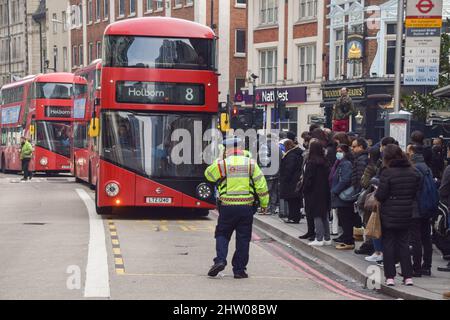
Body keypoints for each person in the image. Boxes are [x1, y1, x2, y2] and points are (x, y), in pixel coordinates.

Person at [205, 137, 269, 279]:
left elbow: (208, 175)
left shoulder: (223, 164)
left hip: (227, 206)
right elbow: (261, 185)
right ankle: (239, 270)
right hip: (246, 207)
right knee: (243, 239)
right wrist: (264, 204)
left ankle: (220, 260)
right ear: (242, 148)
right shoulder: (251, 164)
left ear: (226, 149)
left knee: (222, 234)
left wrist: (218, 160)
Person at [375, 144, 420, 286]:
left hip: (389, 212)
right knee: (404, 244)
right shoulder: (413, 172)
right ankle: (408, 277)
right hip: (407, 211)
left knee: (388, 244)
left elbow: (381, 195)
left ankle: (390, 277)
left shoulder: (387, 172)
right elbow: (415, 192)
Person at [406, 144, 433, 277]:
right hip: (427, 206)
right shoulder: (426, 167)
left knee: (416, 238)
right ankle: (427, 266)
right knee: (426, 238)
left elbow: (413, 189)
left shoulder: (415, 168)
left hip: (416, 207)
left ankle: (416, 268)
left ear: (411, 152)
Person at [303, 140, 331, 246]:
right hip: (324, 191)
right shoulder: (325, 161)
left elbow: (308, 179)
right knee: (324, 214)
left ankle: (319, 238)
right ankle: (327, 238)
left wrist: (305, 189)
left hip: (313, 192)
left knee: (316, 215)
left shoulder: (311, 162)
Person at [330, 144, 355, 250]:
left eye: (340, 151)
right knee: (342, 217)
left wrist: (335, 190)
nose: (338, 153)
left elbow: (345, 179)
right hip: (340, 194)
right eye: (337, 151)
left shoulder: (346, 164)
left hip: (343, 195)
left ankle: (348, 239)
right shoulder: (341, 162)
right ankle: (345, 236)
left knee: (346, 218)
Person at [279, 139, 303, 224]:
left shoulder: (291, 155)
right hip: (295, 180)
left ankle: (293, 217)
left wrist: (284, 178)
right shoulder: (296, 153)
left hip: (291, 181)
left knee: (292, 201)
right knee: (294, 200)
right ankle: (293, 217)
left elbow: (289, 169)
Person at [258, 133, 280, 215]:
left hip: (268, 173)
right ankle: (272, 209)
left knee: (266, 191)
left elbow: (264, 161)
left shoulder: (264, 146)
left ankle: (265, 208)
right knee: (274, 191)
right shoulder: (277, 147)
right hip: (277, 173)